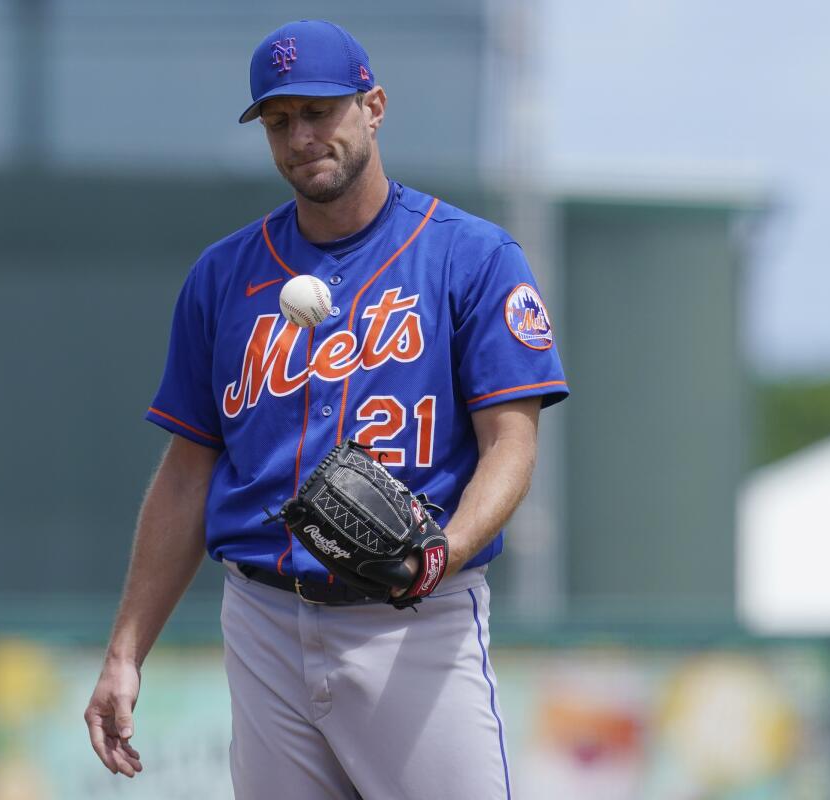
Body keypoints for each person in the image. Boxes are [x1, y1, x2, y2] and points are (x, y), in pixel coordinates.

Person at [84, 19, 567, 799]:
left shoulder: (470, 256)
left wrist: (440, 550)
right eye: (279, 121)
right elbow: (185, 476)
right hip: (264, 619)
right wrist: (125, 652)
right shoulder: (223, 278)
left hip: (414, 622)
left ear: (373, 106)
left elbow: (511, 446)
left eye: (320, 111)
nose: (301, 136)